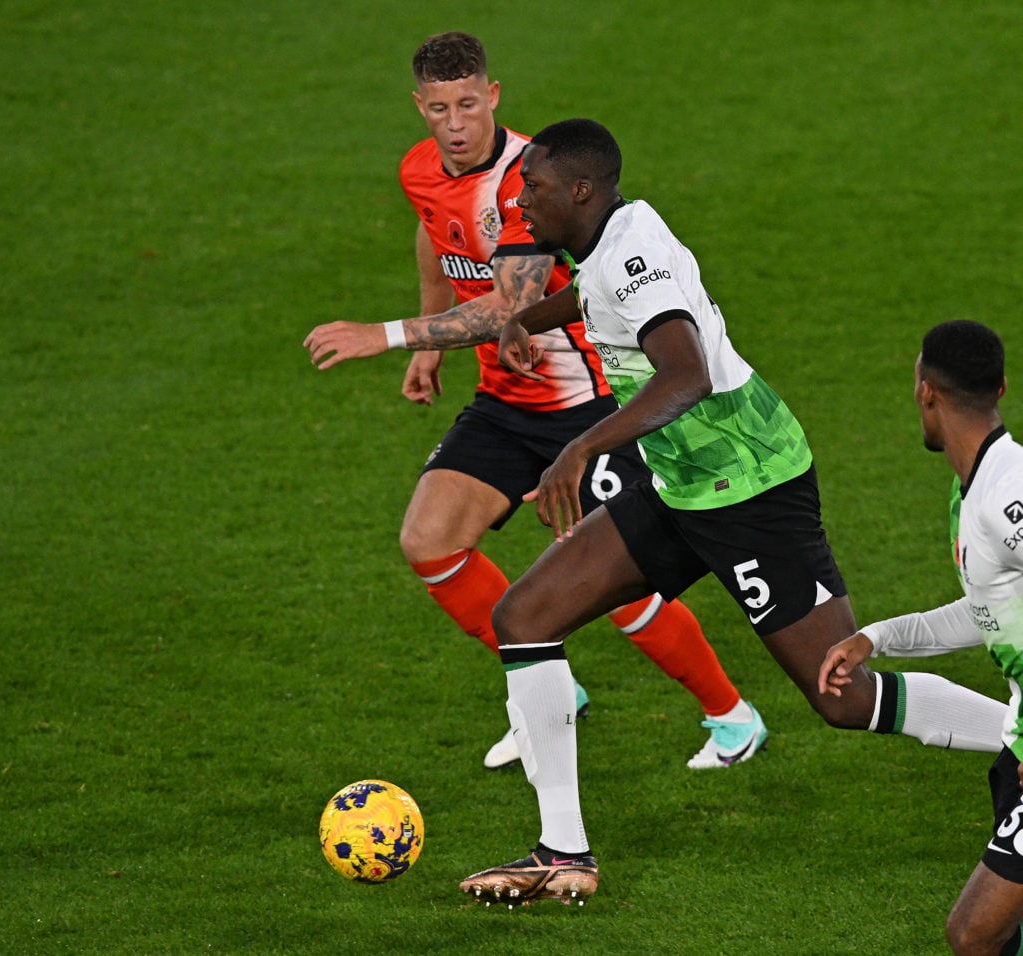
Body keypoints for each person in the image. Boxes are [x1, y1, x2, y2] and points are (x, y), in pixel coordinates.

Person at [456, 118, 1009, 908]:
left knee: (841, 697)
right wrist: (526, 320)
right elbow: (597, 296)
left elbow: (686, 376)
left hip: (750, 487)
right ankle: (563, 853)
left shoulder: (632, 252)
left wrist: (579, 450)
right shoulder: (612, 239)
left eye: (534, 187)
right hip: (680, 484)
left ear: (581, 190)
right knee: (526, 615)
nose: (522, 200)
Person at [304, 32, 767, 771]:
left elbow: (510, 304)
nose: (454, 124)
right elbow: (435, 239)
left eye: (466, 104)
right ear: (419, 109)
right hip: (503, 401)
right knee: (428, 538)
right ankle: (549, 690)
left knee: (609, 584)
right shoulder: (420, 170)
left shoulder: (531, 182)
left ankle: (731, 716)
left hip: (585, 408)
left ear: (492, 95)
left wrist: (387, 334)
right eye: (437, 109)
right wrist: (431, 342)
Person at [819, 321, 1023, 956]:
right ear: (1001, 388)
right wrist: (876, 639)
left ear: (925, 392)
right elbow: (991, 612)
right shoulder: (979, 484)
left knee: (974, 932)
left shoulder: (1007, 492)